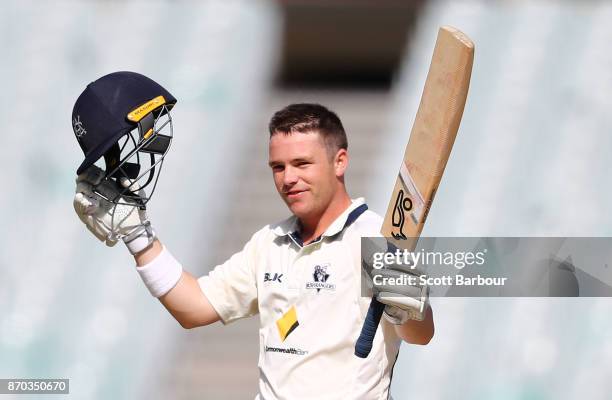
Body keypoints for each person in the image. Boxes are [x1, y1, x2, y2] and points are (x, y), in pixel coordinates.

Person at [73, 75, 434, 399]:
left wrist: (408, 306)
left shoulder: (376, 238)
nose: (288, 178)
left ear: (340, 162)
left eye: (302, 164)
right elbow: (195, 307)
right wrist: (138, 238)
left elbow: (421, 335)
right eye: (278, 167)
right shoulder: (269, 242)